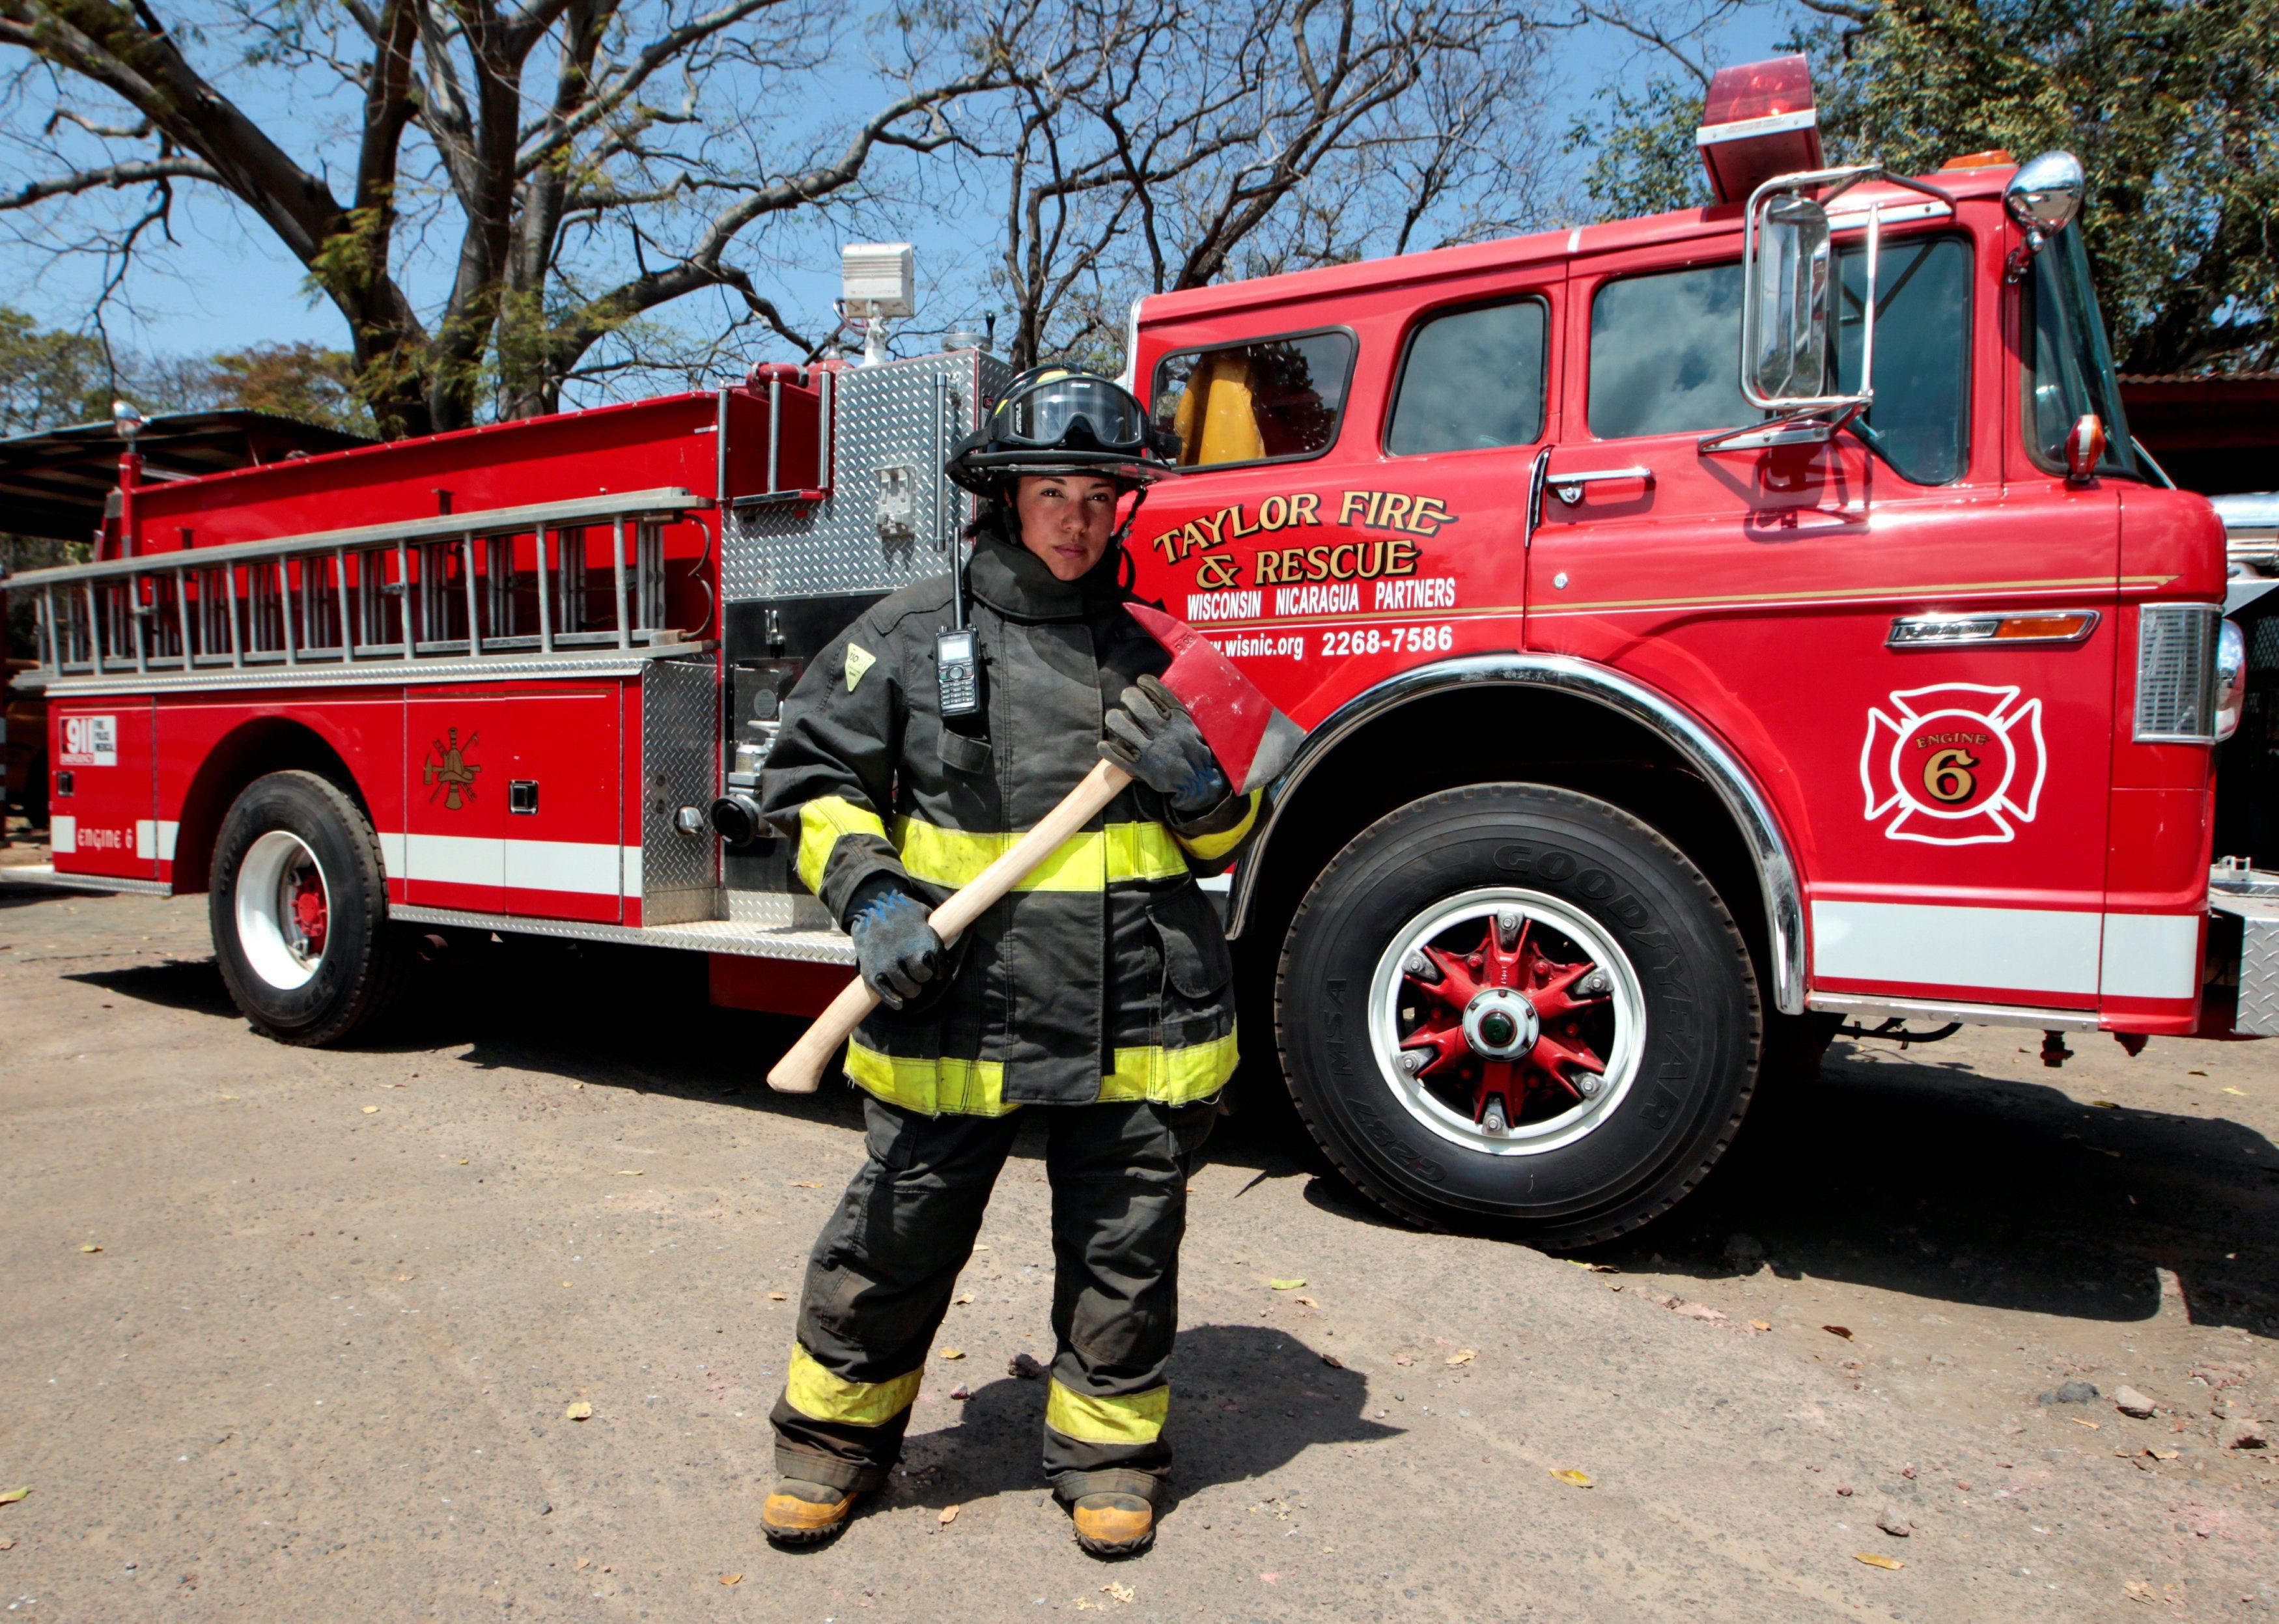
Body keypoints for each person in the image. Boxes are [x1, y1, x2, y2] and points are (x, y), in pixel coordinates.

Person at [753, 368, 1260, 1556]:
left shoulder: (1165, 656)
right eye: (1052, 491)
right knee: (894, 1238)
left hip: (1140, 1010)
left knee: (1126, 1250)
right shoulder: (907, 639)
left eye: (1099, 493)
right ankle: (831, 1444)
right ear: (1000, 495)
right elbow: (810, 781)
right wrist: (871, 894)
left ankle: (1110, 1453)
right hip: (957, 1011)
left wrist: (1201, 788)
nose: (1077, 516)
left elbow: (1229, 841)